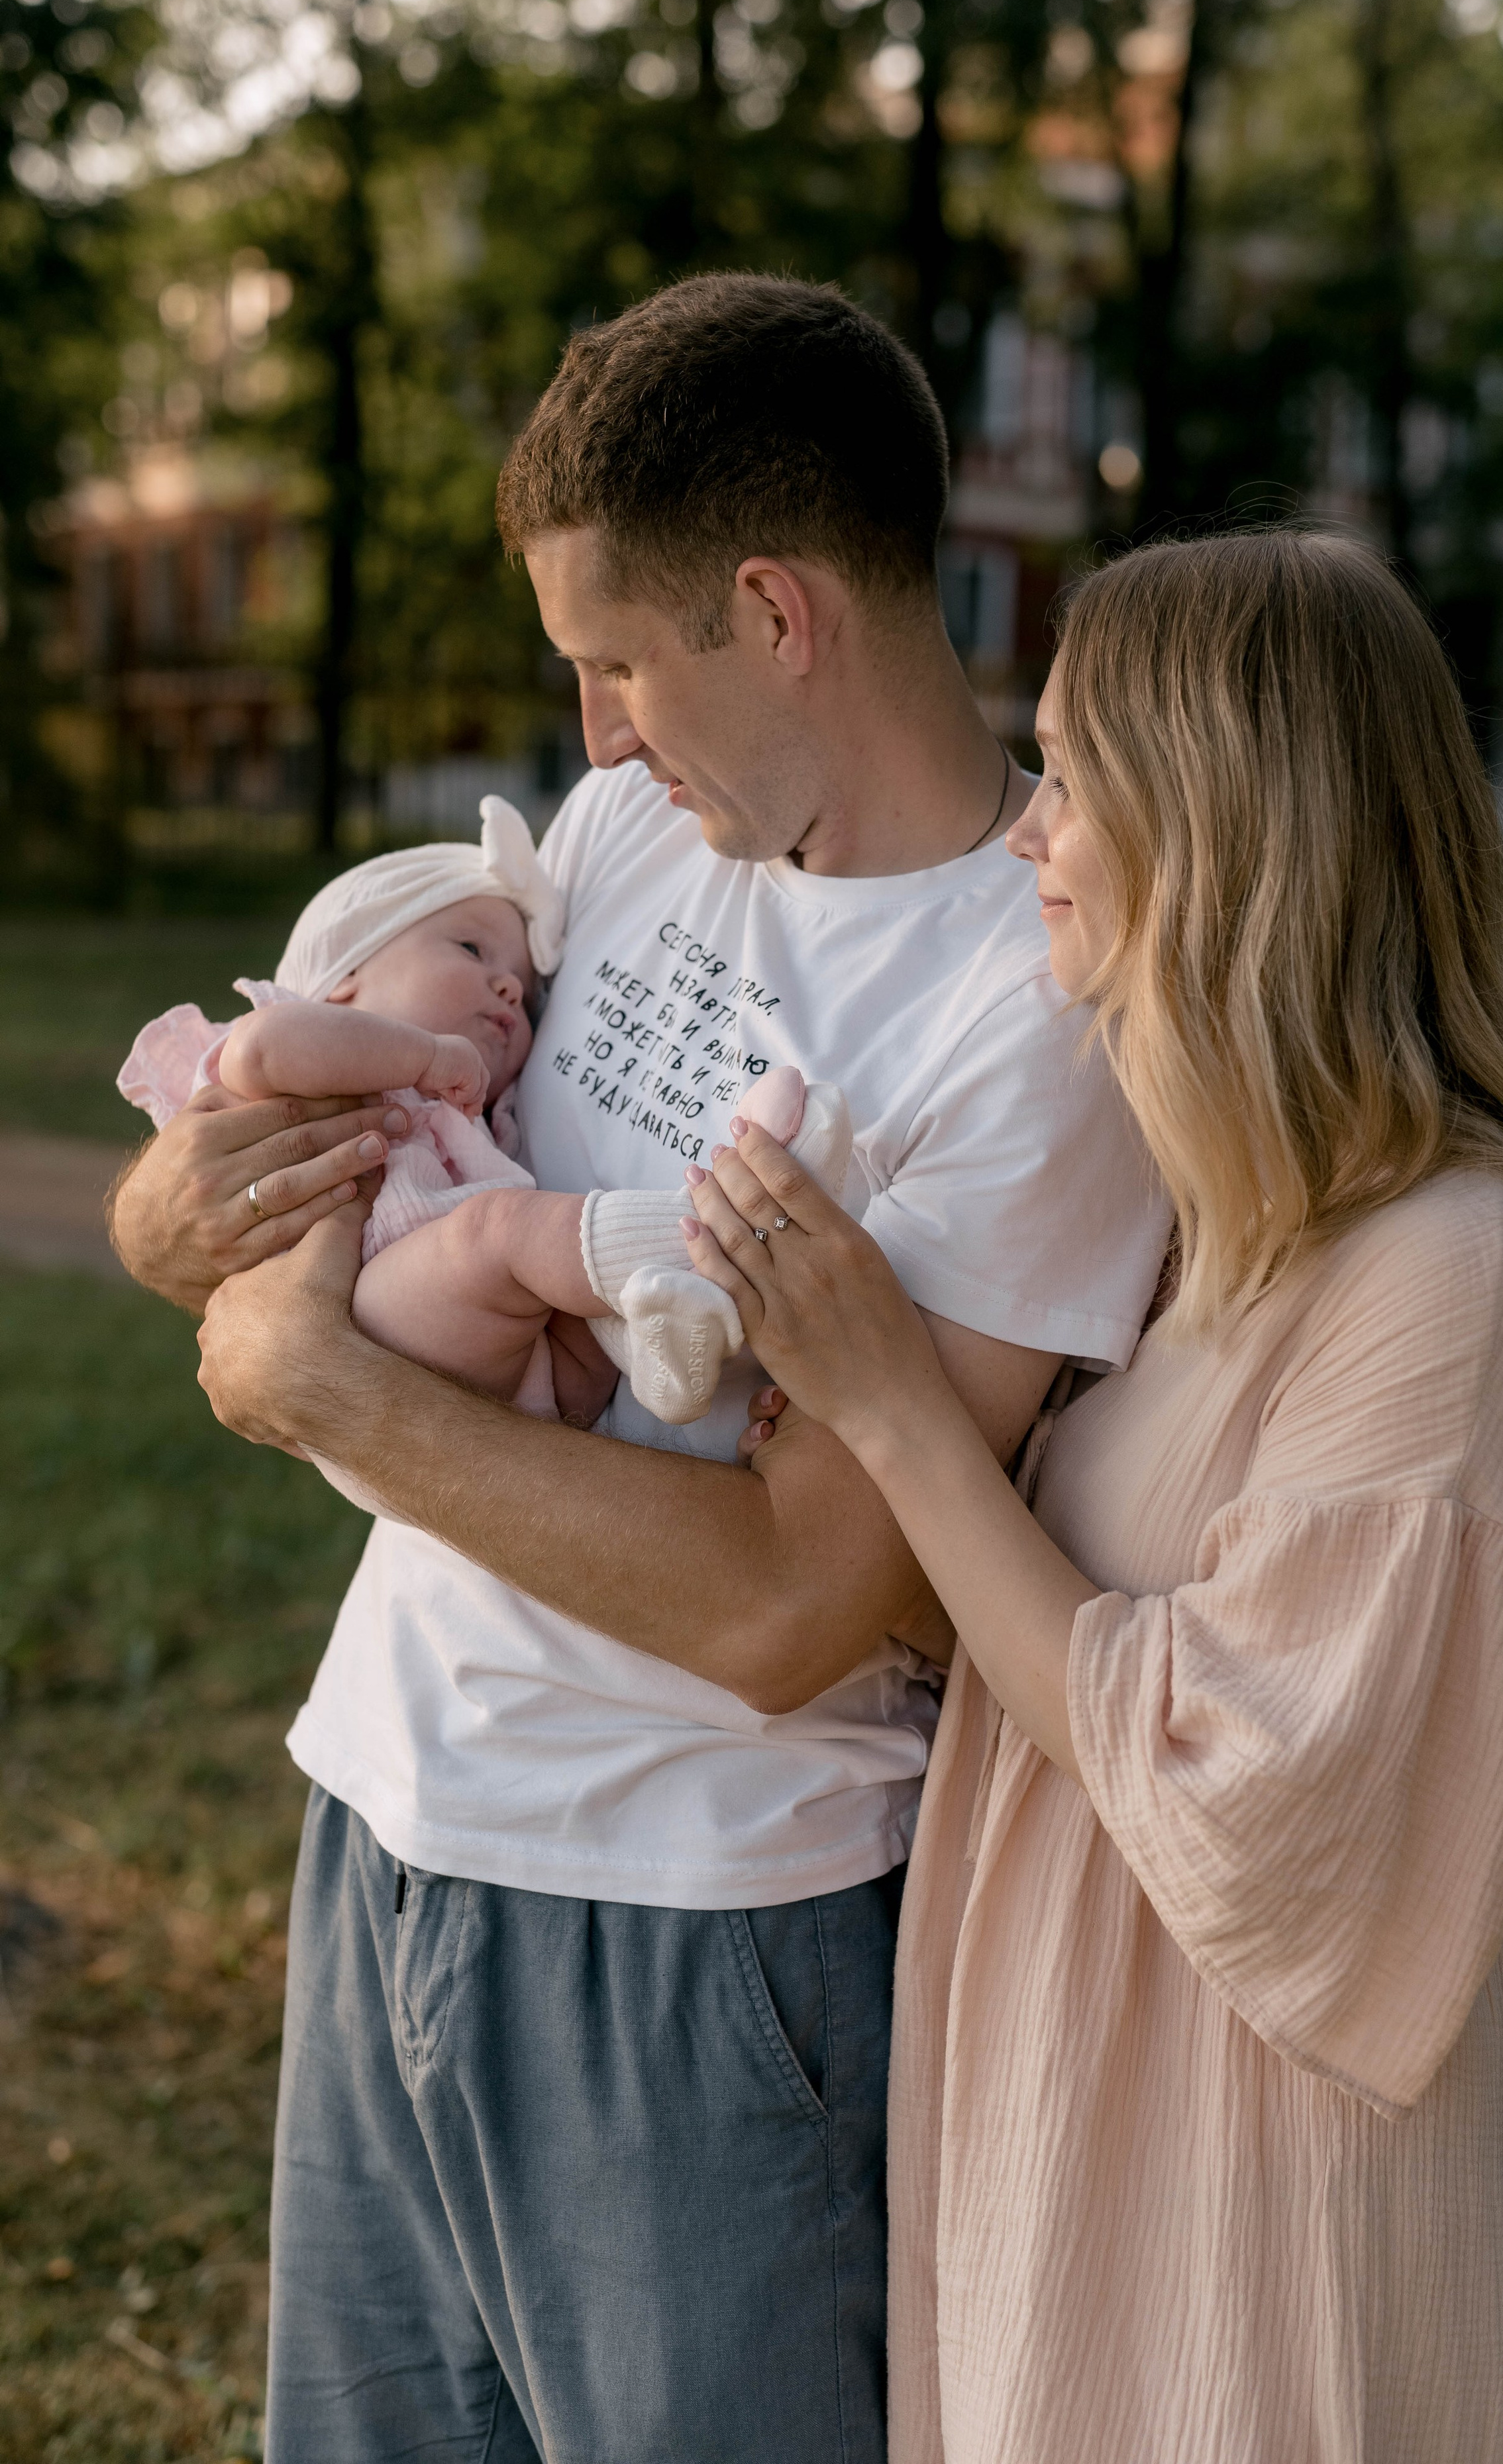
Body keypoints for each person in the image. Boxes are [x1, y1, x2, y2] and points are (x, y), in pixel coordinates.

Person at [114, 274, 1173, 2463]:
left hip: (701, 1935)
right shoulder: (626, 842)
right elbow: (293, 1161)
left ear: (774, 614)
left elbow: (797, 1604)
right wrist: (171, 1219)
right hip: (386, 1815)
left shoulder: (1036, 1008)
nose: (591, 738)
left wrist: (328, 1395)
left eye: (615, 663)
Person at [680, 529, 1503, 2464]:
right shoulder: (1217, 1219)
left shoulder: (1460, 1268)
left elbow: (1251, 1806)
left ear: (1231, 828)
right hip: (1062, 2092)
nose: (1031, 827)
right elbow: (1028, 1629)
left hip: (1246, 2187)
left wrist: (903, 1417)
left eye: (1075, 775)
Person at [118, 795, 851, 1434]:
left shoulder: (477, 1121)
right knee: (499, 1230)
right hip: (370, 1318)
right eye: (472, 949)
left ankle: (662, 1355)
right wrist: (423, 1056)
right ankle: (720, 1222)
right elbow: (260, 1052)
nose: (508, 987)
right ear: (343, 980)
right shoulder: (300, 1039)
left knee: (575, 1324)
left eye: (525, 993)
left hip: (513, 1380)